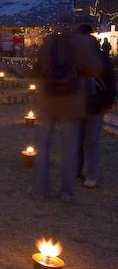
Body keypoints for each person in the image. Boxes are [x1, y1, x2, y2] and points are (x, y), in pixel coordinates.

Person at [32, 25, 103, 202]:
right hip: (71, 104)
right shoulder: (82, 43)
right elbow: (95, 68)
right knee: (69, 150)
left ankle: (40, 190)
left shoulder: (48, 43)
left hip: (49, 101)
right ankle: (66, 192)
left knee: (43, 148)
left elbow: (37, 66)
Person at [76, 26, 116, 188]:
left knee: (90, 142)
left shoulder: (100, 59)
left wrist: (107, 103)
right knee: (78, 141)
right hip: (78, 105)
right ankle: (77, 171)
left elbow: (109, 82)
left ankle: (91, 174)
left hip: (95, 105)